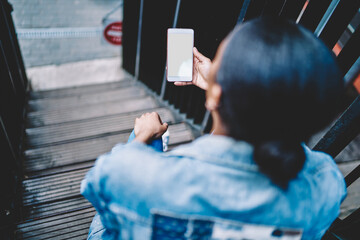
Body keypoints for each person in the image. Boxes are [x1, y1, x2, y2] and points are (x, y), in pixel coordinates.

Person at [81, 16, 346, 239]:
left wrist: (141, 138)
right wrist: (222, 92)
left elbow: (100, 181)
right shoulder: (325, 186)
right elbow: (285, 130)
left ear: (216, 96)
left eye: (218, 62)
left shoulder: (147, 180)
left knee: (140, 139)